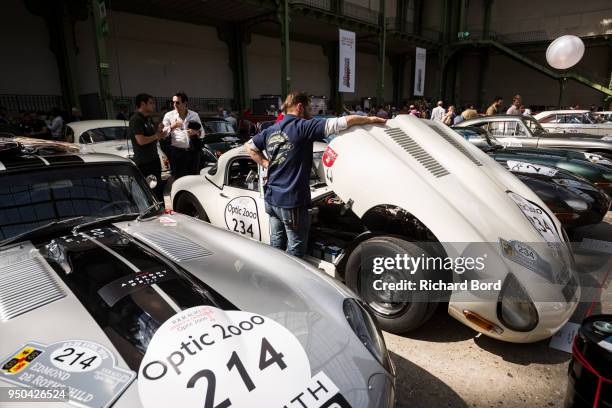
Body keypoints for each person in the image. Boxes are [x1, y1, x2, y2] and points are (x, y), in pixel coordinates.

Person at [244, 91, 386, 258]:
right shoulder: (303, 126)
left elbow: (249, 147)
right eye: (309, 108)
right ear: (299, 107)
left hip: (272, 198)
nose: (311, 112)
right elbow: (343, 122)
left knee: (276, 245)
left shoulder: (271, 130)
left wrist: (267, 164)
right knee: (295, 251)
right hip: (291, 201)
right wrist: (370, 120)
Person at [129, 93, 165, 202]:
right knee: (152, 190)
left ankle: (160, 209)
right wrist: (156, 136)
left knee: (158, 189)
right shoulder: (136, 119)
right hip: (145, 162)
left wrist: (158, 130)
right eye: (151, 103)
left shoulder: (147, 119)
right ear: (142, 104)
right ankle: (155, 212)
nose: (154, 106)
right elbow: (141, 140)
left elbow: (153, 137)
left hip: (154, 159)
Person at [162, 91, 203, 180]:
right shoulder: (169, 115)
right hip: (178, 153)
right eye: (173, 102)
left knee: (194, 178)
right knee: (180, 179)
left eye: (177, 102)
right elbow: (162, 134)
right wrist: (172, 126)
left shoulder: (194, 115)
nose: (174, 105)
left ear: (185, 103)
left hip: (193, 152)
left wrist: (195, 132)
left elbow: (202, 133)